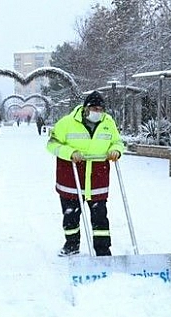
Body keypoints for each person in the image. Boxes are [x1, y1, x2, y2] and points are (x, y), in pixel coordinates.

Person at [46, 90, 124, 257]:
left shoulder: (108, 122)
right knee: (71, 216)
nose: (97, 112)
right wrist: (70, 152)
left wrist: (115, 150)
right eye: (94, 108)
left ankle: (103, 250)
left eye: (100, 109)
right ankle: (71, 245)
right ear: (85, 108)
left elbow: (117, 141)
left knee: (100, 217)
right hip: (71, 178)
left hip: (97, 178)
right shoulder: (66, 123)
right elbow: (52, 144)